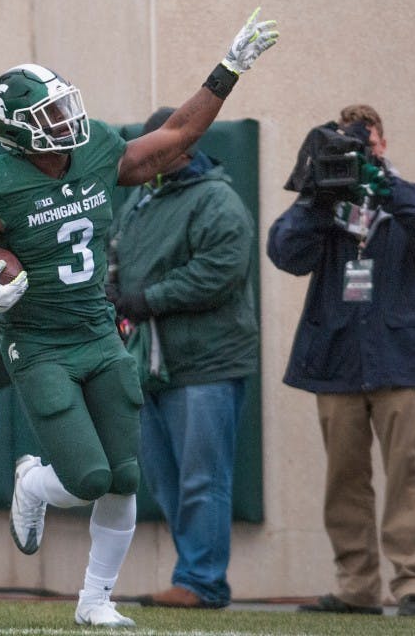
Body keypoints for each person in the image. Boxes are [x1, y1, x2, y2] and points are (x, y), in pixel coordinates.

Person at [0, 9, 278, 626]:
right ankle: (33, 483)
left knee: (125, 477)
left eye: (64, 107)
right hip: (38, 343)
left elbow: (178, 137)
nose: (66, 120)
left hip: (97, 331)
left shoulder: (94, 154)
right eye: (49, 115)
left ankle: (95, 602)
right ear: (18, 133)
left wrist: (230, 68)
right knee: (88, 477)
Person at [267, 104, 415, 617]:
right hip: (338, 358)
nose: (358, 150)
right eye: (348, 142)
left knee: (405, 474)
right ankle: (356, 587)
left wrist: (382, 182)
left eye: (366, 140)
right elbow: (284, 253)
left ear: (383, 143)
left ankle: (413, 584)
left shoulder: (404, 198)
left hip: (399, 358)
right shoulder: (325, 199)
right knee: (344, 480)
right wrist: (317, 194)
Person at [106, 106, 259, 609]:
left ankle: (201, 581)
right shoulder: (139, 203)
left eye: (157, 144)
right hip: (150, 365)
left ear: (184, 147)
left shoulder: (217, 200)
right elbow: (118, 259)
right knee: (167, 482)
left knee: (201, 480)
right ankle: (192, 574)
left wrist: (147, 299)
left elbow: (220, 272)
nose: (144, 153)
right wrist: (113, 292)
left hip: (207, 366)